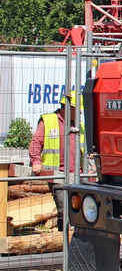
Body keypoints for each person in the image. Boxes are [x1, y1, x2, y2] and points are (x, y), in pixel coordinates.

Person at [28, 91, 81, 226]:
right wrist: (36, 161)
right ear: (68, 108)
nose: (80, 114)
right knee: (65, 209)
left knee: (80, 210)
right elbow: (36, 142)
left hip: (78, 175)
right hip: (58, 175)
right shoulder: (49, 120)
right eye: (77, 110)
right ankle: (63, 240)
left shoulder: (79, 125)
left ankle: (71, 241)